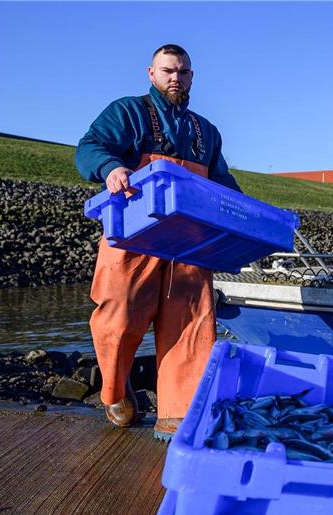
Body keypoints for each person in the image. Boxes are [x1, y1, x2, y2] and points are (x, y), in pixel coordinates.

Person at [75, 44, 240, 440]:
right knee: (120, 316)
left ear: (191, 76)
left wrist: (243, 212)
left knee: (193, 326)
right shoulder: (127, 112)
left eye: (183, 72)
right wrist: (111, 167)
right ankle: (114, 390)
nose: (175, 78)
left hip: (190, 247)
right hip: (135, 240)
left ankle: (178, 416)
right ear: (151, 73)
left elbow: (222, 184)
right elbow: (89, 147)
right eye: (168, 70)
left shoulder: (206, 132)